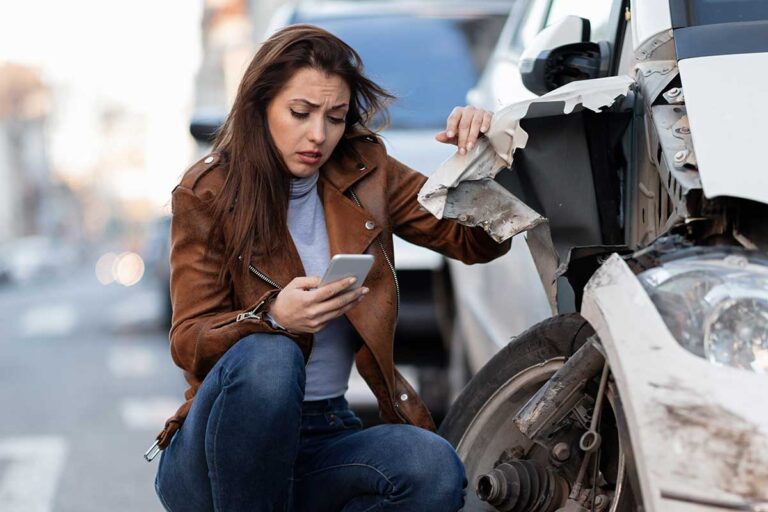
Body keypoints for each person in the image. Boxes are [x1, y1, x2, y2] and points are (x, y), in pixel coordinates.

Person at [150, 24, 510, 512]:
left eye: (335, 117)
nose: (318, 135)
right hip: (217, 452)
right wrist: (274, 317)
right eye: (300, 113)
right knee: (271, 359)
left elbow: (474, 242)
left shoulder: (366, 170)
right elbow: (188, 339)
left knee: (431, 468)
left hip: (324, 434)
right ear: (260, 108)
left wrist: (482, 159)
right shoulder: (208, 191)